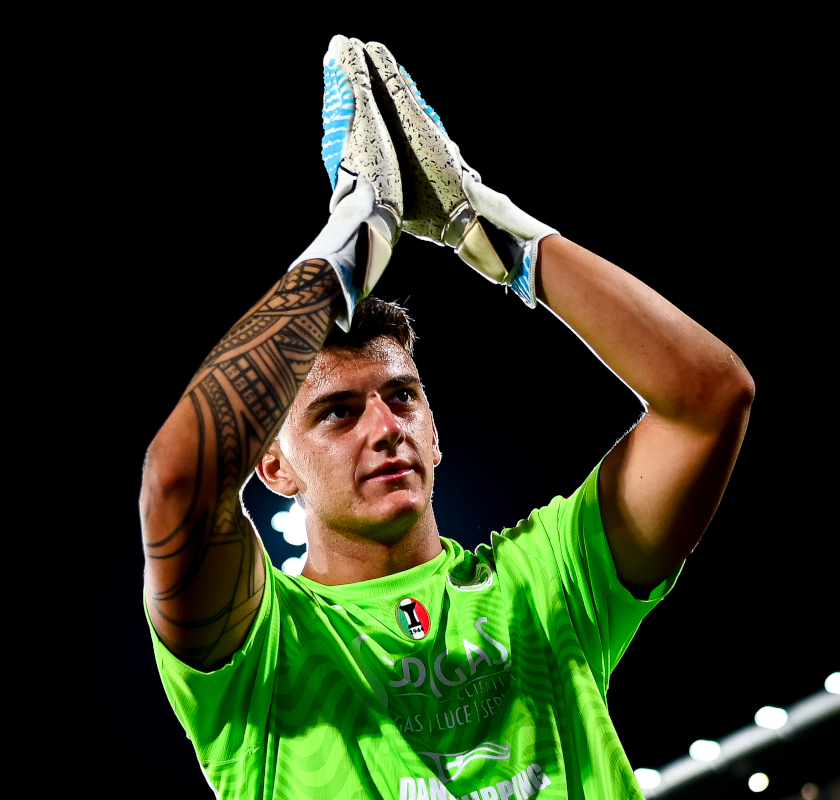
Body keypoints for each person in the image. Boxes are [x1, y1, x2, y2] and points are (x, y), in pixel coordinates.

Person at [140, 35, 754, 799]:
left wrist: (490, 227)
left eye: (401, 397)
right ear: (272, 466)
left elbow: (708, 399)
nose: (383, 426)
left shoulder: (544, 582)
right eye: (335, 414)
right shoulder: (265, 652)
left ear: (434, 430)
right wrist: (354, 237)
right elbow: (177, 482)